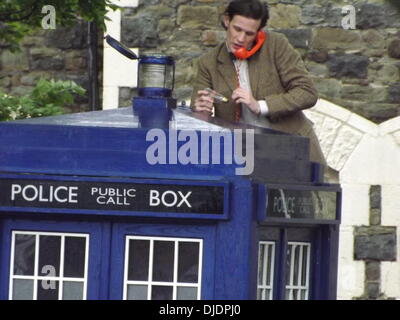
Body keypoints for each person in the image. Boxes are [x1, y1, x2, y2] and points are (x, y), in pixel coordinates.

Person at [190, 0, 326, 164]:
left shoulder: (276, 45)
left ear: (259, 32)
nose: (240, 38)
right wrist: (201, 111)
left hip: (292, 149)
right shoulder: (208, 62)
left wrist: (260, 106)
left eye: (249, 34)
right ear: (227, 21)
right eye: (237, 29)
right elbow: (197, 114)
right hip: (244, 156)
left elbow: (307, 92)